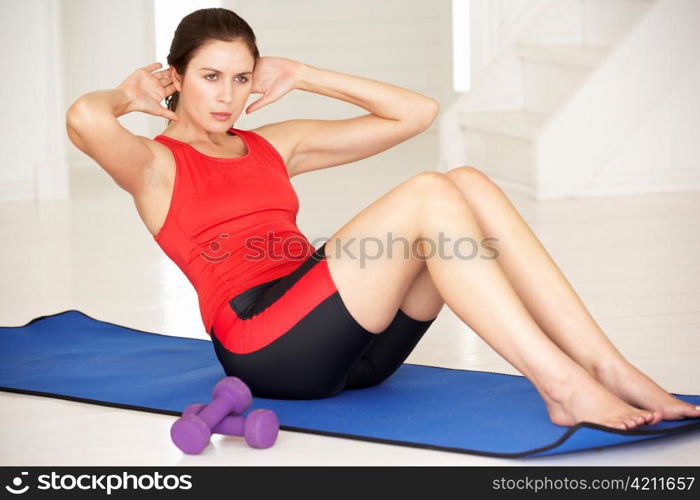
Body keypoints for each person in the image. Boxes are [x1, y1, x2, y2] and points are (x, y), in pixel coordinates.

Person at [66, 8, 699, 429]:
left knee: (467, 183)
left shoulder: (271, 146)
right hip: (264, 347)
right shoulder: (155, 165)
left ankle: (608, 367)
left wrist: (307, 74)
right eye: (210, 77)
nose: (228, 95)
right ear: (176, 78)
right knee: (428, 192)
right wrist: (129, 93)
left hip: (354, 352)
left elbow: (416, 113)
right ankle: (559, 384)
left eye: (240, 78)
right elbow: (85, 121)